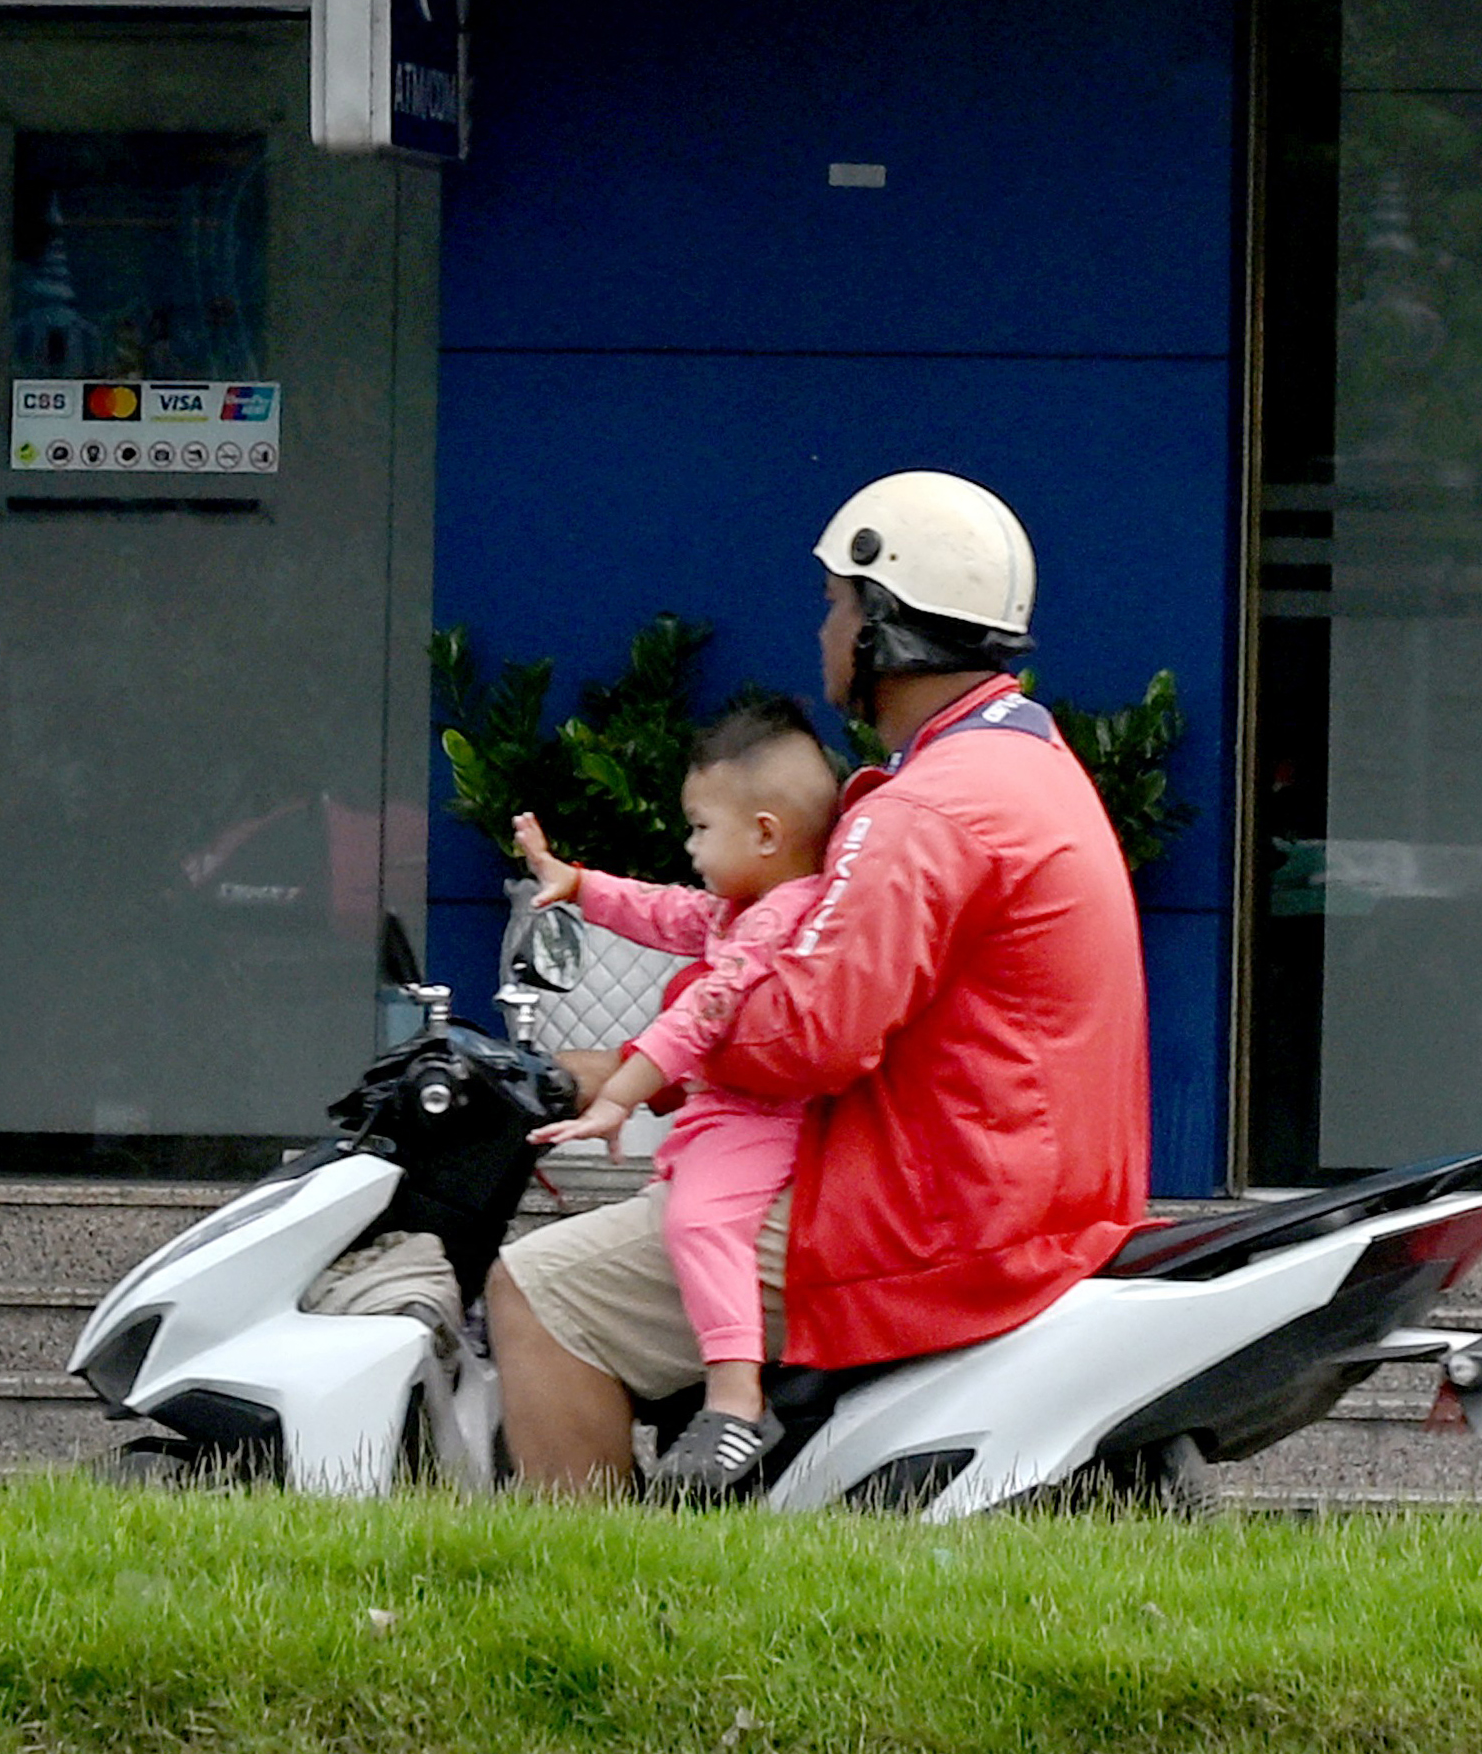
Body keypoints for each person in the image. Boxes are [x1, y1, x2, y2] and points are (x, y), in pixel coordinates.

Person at [488, 473, 1151, 1493]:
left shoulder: (923, 810)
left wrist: (672, 1026)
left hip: (933, 1213)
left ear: (885, 628)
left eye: (839, 604)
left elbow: (804, 1035)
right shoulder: (1028, 759)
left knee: (537, 1288)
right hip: (1031, 1196)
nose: (824, 629)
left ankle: (604, 1604)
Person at [509, 694, 845, 1502]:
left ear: (765, 833)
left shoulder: (780, 920)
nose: (688, 846)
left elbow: (706, 1010)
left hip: (757, 1125)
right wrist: (579, 884)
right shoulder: (744, 905)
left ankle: (733, 1399)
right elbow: (666, 910)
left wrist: (619, 1094)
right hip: (723, 1122)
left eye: (699, 828)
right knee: (689, 1215)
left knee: (700, 1224)